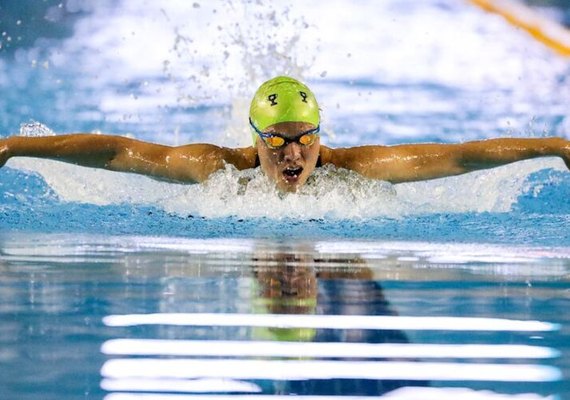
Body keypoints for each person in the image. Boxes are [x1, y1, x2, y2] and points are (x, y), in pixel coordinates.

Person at [0, 76, 569, 193]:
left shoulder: (356, 168)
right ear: (254, 141)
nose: (294, 153)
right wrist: (12, 145)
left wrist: (555, 147)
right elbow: (116, 151)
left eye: (305, 138)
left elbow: (460, 157)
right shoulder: (216, 168)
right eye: (277, 141)